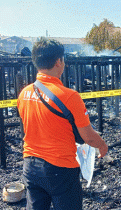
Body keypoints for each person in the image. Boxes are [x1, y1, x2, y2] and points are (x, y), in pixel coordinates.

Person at [17, 38, 108, 210]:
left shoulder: (24, 93)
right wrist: (102, 145)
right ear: (59, 61)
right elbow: (87, 136)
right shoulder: (70, 96)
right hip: (60, 169)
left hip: (30, 166)